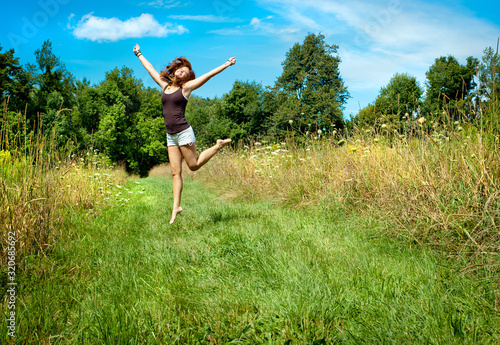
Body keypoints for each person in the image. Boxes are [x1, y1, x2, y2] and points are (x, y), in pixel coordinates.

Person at [133, 44, 235, 224]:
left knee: (193, 165)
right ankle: (176, 207)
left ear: (187, 78)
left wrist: (226, 64)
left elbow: (208, 75)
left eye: (186, 73)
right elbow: (149, 69)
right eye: (181, 70)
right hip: (170, 135)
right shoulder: (164, 85)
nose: (182, 72)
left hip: (183, 133)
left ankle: (218, 145)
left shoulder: (185, 89)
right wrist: (139, 54)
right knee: (175, 172)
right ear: (175, 71)